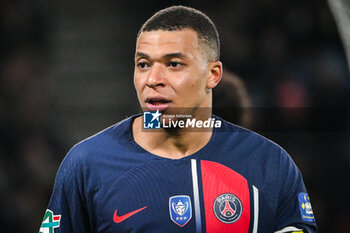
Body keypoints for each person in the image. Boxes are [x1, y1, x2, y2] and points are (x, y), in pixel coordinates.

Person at [39, 5, 317, 233]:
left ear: (213, 75)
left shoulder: (270, 163)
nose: (153, 80)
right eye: (143, 64)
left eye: (174, 64)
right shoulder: (87, 164)